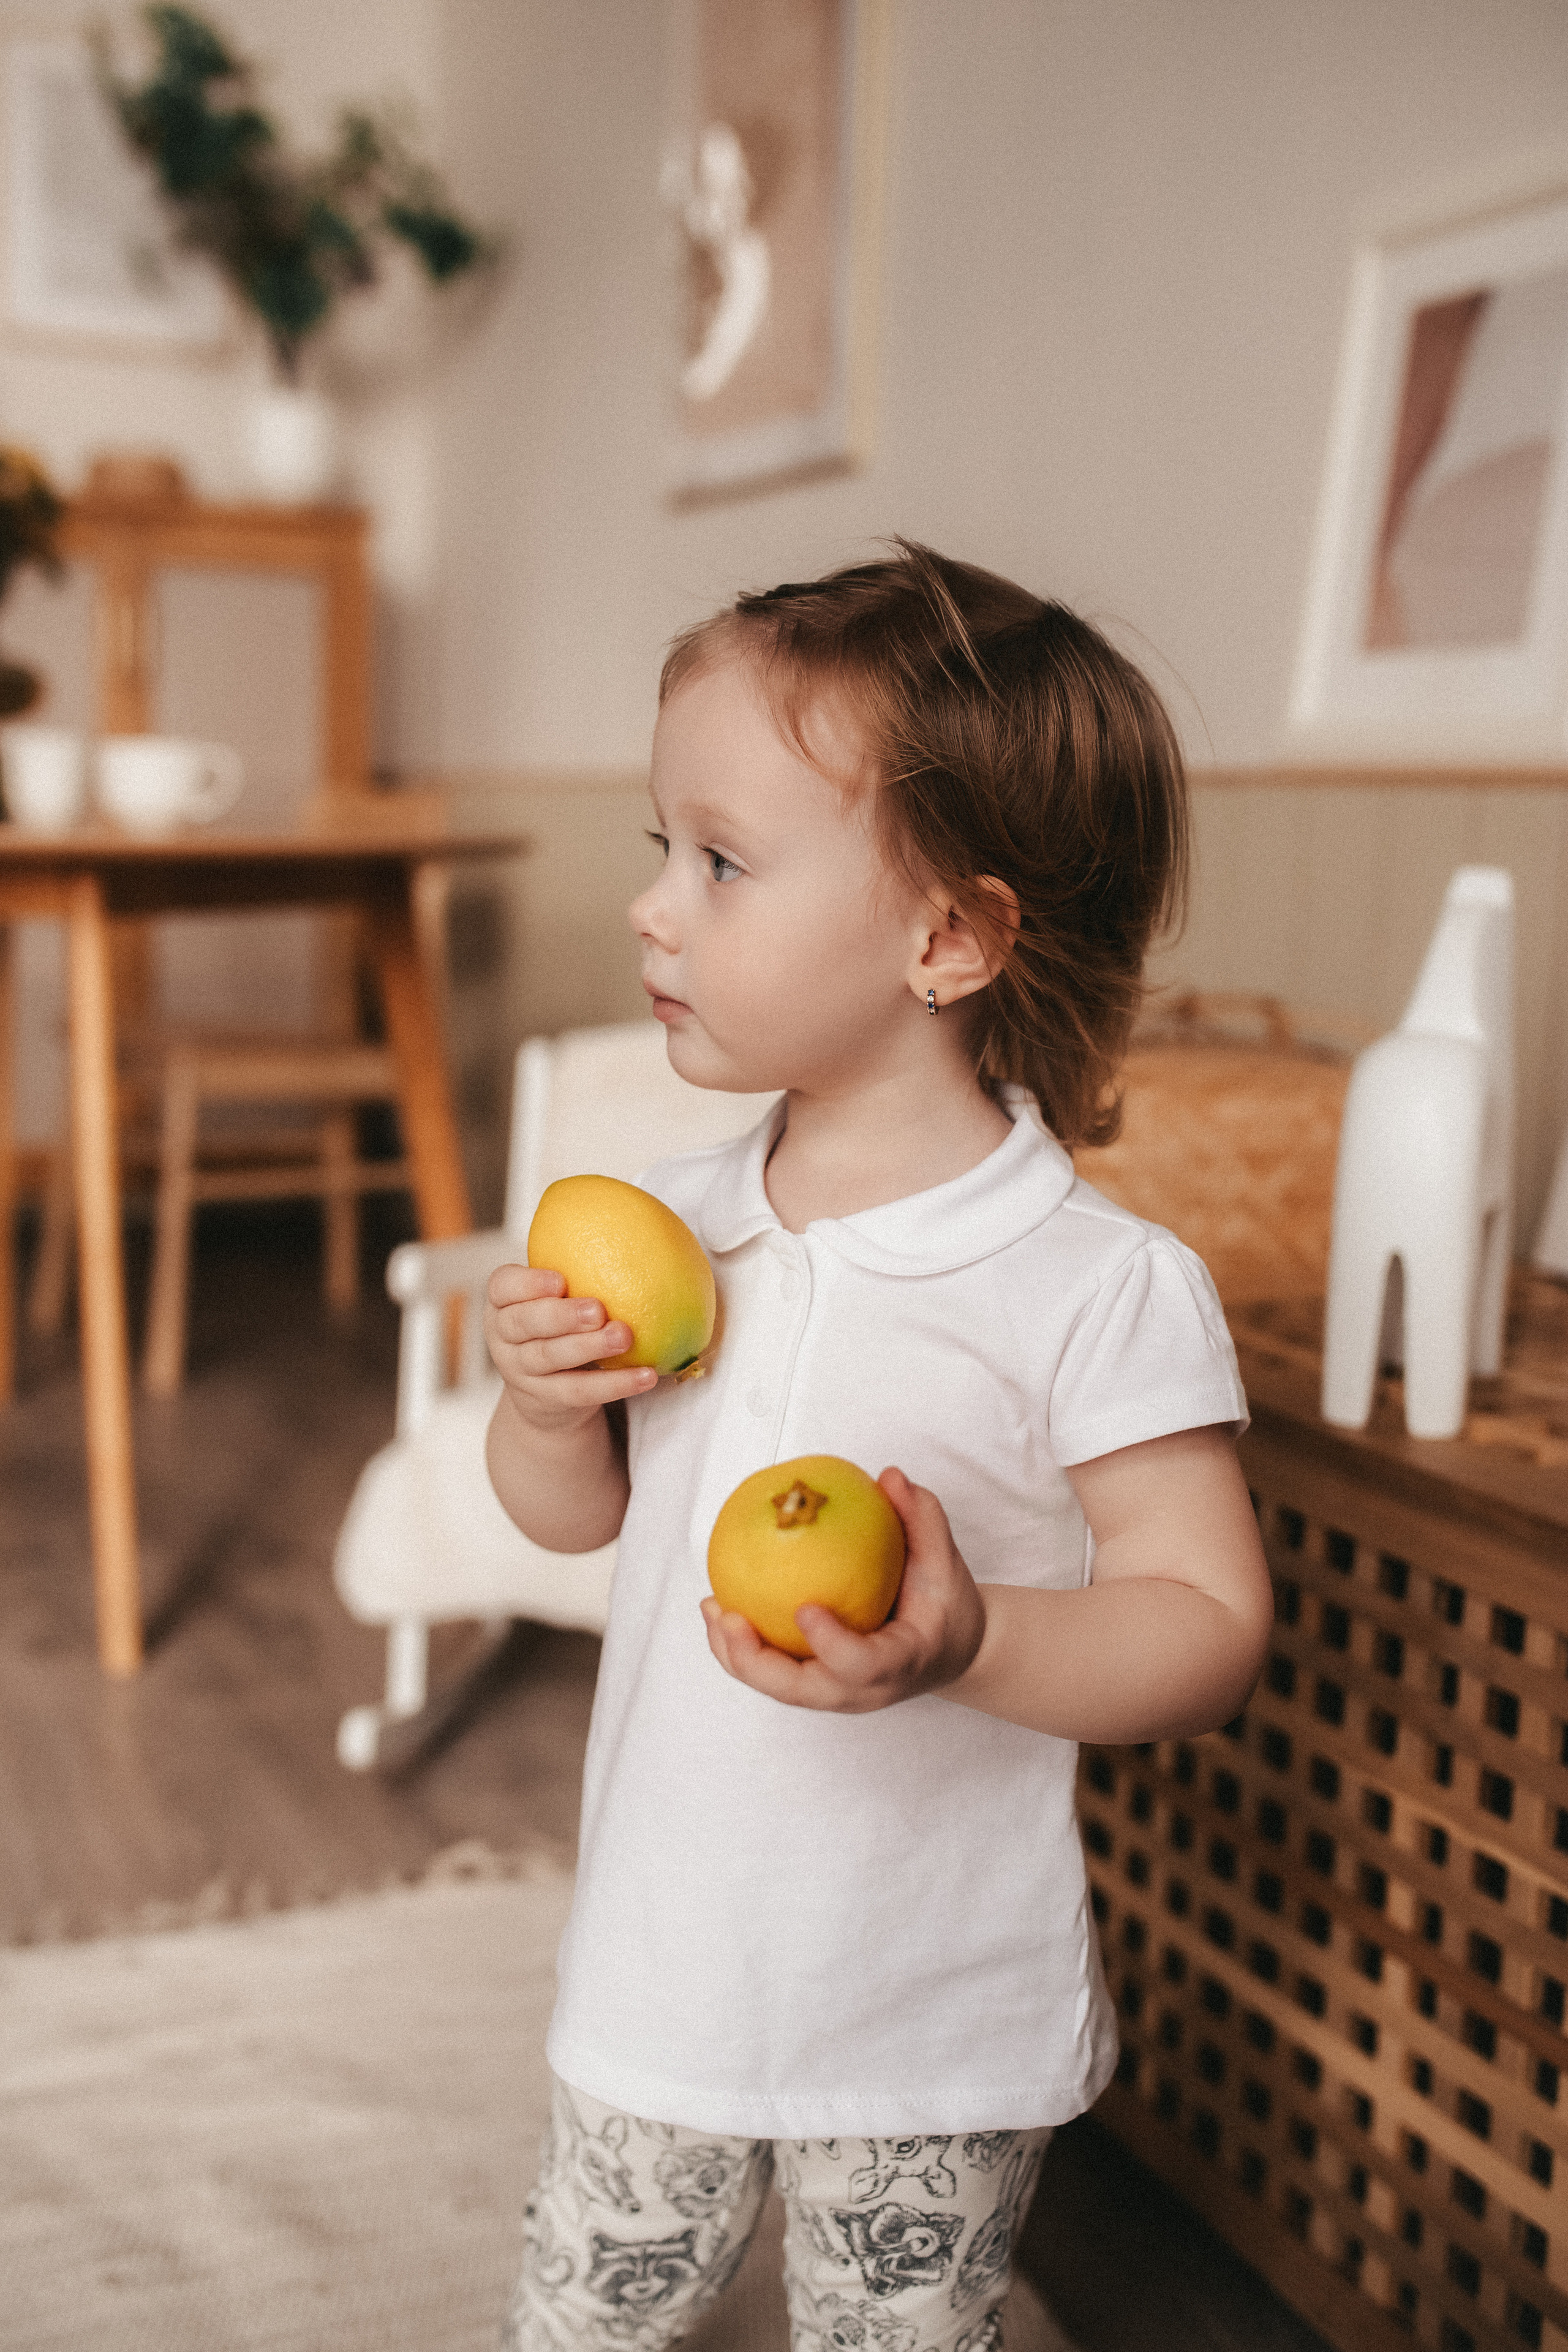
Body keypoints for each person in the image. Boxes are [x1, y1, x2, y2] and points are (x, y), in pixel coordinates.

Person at [484, 543, 1273, 2352]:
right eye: (658, 849)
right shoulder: (679, 1232)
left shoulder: (1093, 1282)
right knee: (582, 2327)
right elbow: (566, 1521)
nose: (652, 910)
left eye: (723, 861)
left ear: (947, 938)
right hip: (662, 1971)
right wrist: (545, 1410)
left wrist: (975, 1636)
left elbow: (1208, 1627)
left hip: (933, 2018)